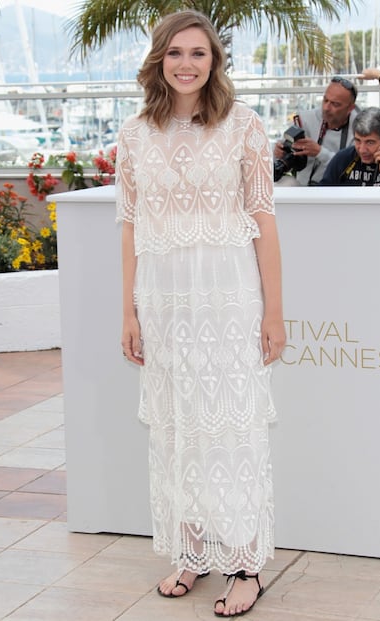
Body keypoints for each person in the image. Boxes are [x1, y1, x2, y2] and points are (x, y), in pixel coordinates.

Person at [115, 9, 286, 618]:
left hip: (228, 296)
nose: (187, 64)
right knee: (175, 427)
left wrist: (274, 312)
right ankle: (189, 551)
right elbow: (130, 229)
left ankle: (246, 563)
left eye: (200, 53)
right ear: (159, 60)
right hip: (162, 301)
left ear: (215, 62)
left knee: (231, 428)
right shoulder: (134, 134)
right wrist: (130, 311)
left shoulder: (244, 127)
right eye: (176, 53)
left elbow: (263, 222)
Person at [273, 77, 358, 185]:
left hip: (339, 189)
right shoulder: (304, 119)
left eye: (335, 104)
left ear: (350, 108)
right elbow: (280, 153)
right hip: (304, 188)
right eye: (325, 100)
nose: (326, 108)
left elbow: (353, 169)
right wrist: (278, 152)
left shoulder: (358, 128)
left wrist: (319, 152)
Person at [320, 106, 380, 186]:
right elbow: (322, 194)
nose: (362, 150)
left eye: (370, 142)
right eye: (358, 140)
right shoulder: (343, 159)